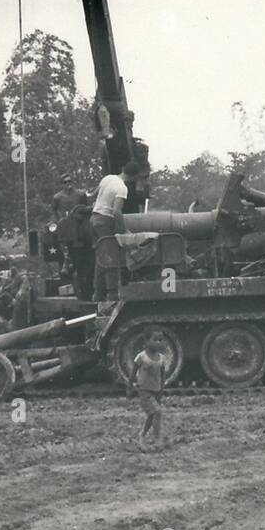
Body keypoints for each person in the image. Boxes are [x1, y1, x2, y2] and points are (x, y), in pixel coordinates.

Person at [91, 161, 139, 304]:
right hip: (105, 221)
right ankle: (111, 297)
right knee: (111, 259)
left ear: (123, 168)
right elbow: (116, 211)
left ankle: (97, 294)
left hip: (93, 219)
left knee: (101, 258)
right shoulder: (122, 188)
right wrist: (123, 230)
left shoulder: (108, 178)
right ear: (133, 177)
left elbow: (94, 194)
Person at [128, 337, 167, 448]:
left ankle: (142, 436)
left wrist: (162, 389)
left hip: (156, 390)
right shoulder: (141, 357)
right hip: (144, 390)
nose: (158, 342)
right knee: (157, 412)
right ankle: (157, 440)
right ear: (146, 342)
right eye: (155, 339)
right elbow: (133, 373)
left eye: (160, 339)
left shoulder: (162, 358)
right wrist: (129, 388)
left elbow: (163, 375)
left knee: (152, 415)